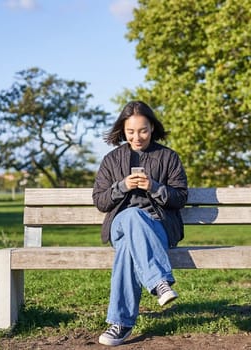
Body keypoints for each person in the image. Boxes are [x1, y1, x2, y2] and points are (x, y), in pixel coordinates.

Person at [92, 100, 188, 346]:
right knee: (132, 215)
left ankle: (120, 324)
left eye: (143, 130)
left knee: (127, 248)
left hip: (159, 226)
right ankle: (158, 282)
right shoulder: (112, 160)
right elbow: (101, 201)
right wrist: (122, 186)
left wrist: (154, 188)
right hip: (119, 224)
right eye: (131, 131)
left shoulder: (168, 157)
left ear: (152, 128)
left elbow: (180, 197)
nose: (137, 137)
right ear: (123, 130)